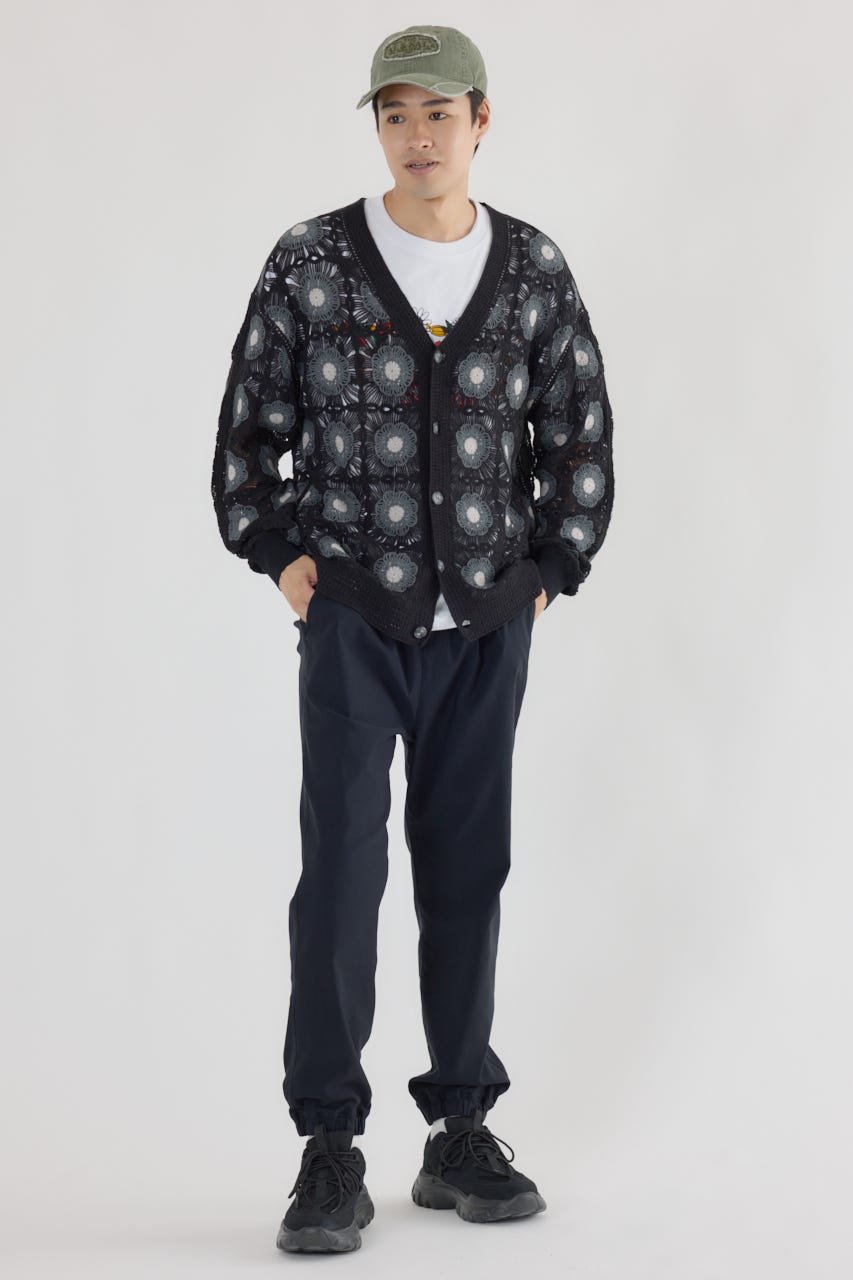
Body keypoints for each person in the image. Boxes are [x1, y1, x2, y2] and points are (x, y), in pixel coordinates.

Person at [211, 23, 615, 1255]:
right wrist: (287, 562)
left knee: (466, 871)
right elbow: (248, 437)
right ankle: (330, 1145)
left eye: (439, 113)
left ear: (481, 121)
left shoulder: (531, 269)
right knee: (340, 875)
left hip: (485, 627)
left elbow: (578, 435)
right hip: (354, 619)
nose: (418, 136)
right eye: (396, 114)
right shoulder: (311, 262)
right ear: (377, 126)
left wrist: (544, 574)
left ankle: (459, 1128)